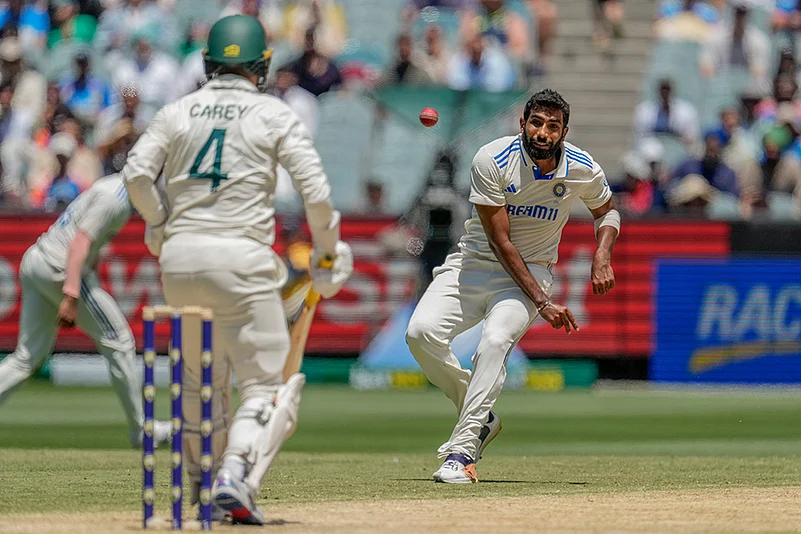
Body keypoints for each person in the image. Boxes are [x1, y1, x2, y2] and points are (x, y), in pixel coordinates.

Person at [121, 14, 353, 524]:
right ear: (263, 65)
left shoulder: (178, 109)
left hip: (179, 261)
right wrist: (327, 252)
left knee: (200, 380)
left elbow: (136, 173)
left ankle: (203, 488)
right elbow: (315, 193)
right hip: (243, 259)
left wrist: (159, 224)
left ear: (208, 64)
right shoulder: (274, 113)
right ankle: (234, 474)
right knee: (269, 386)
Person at [405, 89, 619, 483]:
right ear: (522, 124)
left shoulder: (582, 167)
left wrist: (602, 255)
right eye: (536, 123)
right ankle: (481, 417)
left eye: (553, 127)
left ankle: (462, 452)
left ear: (564, 132)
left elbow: (607, 211)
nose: (543, 133)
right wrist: (544, 303)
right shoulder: (491, 159)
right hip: (475, 262)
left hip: (532, 271)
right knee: (420, 334)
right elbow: (500, 241)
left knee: (494, 341)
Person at [0, 174, 171, 448]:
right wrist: (70, 294)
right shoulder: (114, 199)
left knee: (26, 357)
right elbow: (80, 242)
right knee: (120, 342)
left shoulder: (111, 186)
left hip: (37, 259)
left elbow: (87, 242)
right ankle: (142, 430)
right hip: (58, 269)